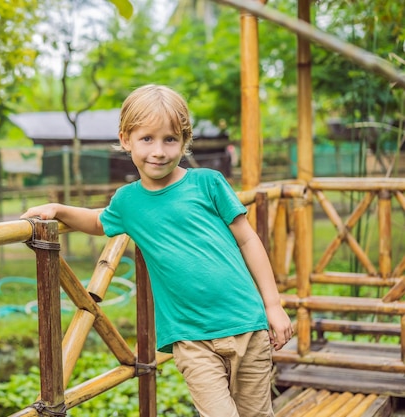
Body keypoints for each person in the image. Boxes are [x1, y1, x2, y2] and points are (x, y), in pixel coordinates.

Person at [21, 84, 293, 417]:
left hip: (248, 326)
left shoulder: (209, 183)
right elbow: (96, 221)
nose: (159, 151)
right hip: (191, 338)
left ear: (185, 140)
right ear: (126, 140)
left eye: (170, 139)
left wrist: (273, 305)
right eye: (147, 139)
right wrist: (59, 209)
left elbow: (248, 239)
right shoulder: (127, 202)